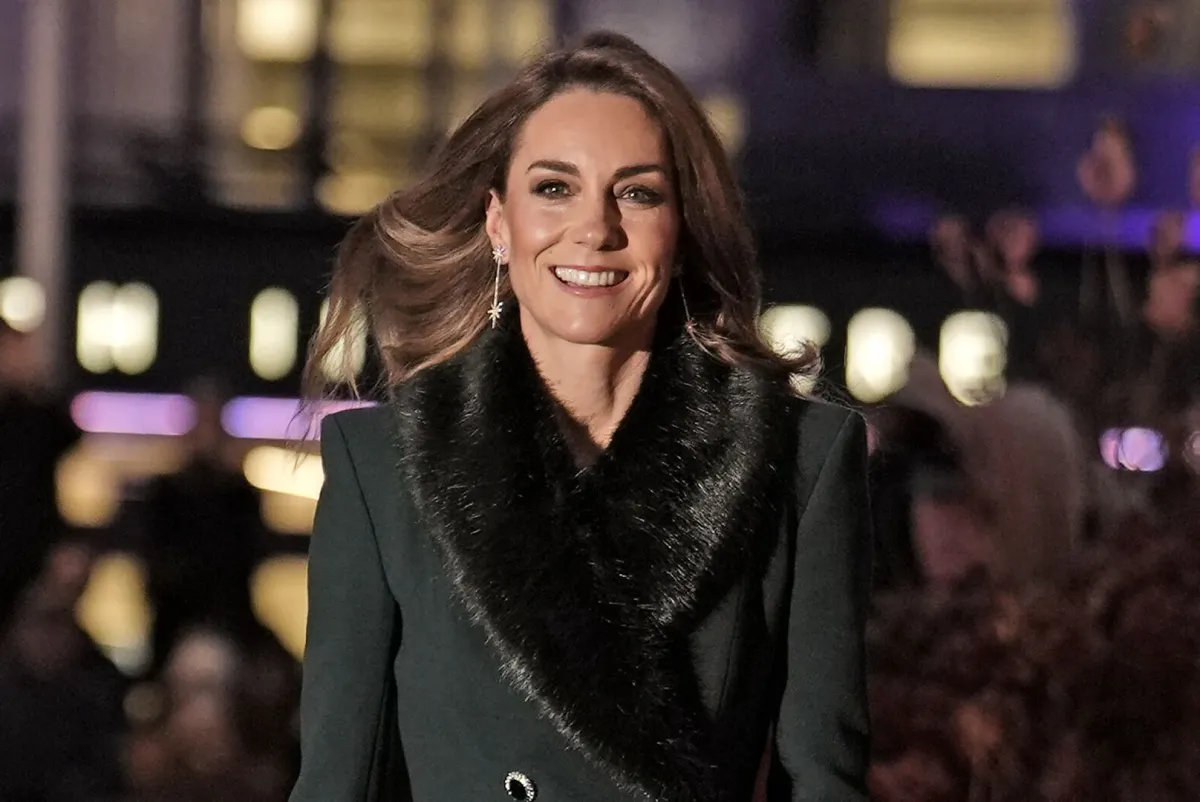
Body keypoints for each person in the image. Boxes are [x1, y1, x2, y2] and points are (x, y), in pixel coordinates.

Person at [290, 32, 872, 802]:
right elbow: (336, 783)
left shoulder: (803, 461)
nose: (595, 229)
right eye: (554, 188)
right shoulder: (380, 468)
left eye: (637, 192)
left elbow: (824, 783)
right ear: (499, 223)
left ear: (683, 226)